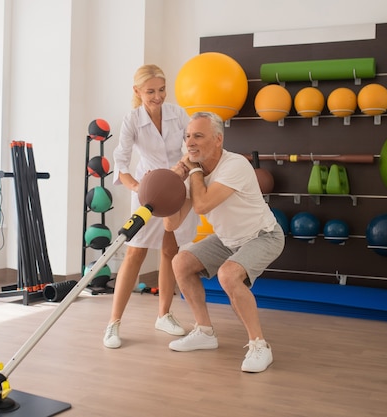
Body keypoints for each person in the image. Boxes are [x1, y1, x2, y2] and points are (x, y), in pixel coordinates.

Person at [164, 111, 285, 373]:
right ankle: (205, 332)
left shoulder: (235, 165)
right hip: (228, 239)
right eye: (187, 137)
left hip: (263, 235)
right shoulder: (193, 175)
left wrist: (192, 169)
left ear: (218, 139)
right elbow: (171, 224)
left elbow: (203, 204)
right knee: (181, 262)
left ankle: (259, 346)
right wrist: (171, 185)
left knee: (229, 275)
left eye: (198, 136)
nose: (190, 143)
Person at [104, 64, 198, 349]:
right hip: (147, 192)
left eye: (161, 89)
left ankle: (164, 314)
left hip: (177, 187)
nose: (158, 96)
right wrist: (137, 187)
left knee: (170, 250)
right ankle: (113, 323)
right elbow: (120, 162)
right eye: (150, 91)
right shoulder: (132, 119)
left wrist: (180, 169)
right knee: (135, 253)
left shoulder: (177, 114)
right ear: (137, 92)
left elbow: (191, 147)